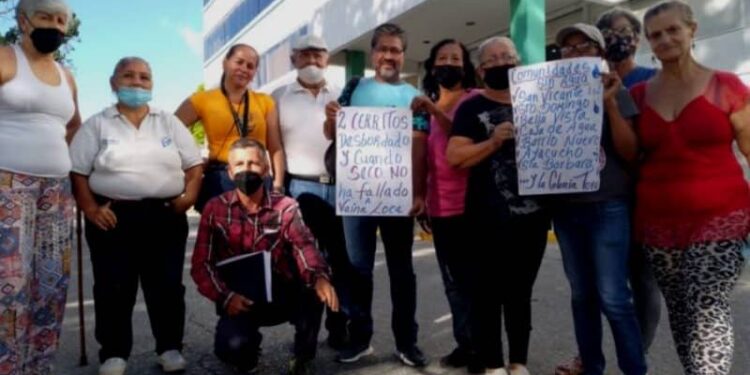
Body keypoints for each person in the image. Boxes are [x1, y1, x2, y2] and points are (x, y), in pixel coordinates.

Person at [626, 2, 750, 374]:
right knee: (681, 314)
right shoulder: (639, 96)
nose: (665, 39)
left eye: (672, 30)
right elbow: (631, 156)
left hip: (721, 216)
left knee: (705, 303)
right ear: (648, 43)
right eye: (656, 35)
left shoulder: (726, 86)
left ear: (692, 30)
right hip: (658, 223)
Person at [69, 57, 203, 375]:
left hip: (165, 214)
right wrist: (89, 208)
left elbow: (194, 164)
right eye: (128, 76)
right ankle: (114, 353)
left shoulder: (168, 122)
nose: (137, 82)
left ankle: (170, 347)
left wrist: (190, 196)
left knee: (167, 285)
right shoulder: (97, 124)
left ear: (152, 84)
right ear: (113, 83)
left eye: (145, 77)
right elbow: (77, 171)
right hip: (113, 215)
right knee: (114, 286)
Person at [556, 8, 662, 375]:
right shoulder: (549, 96)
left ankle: (635, 368)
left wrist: (609, 105)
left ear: (599, 52)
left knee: (614, 297)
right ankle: (592, 366)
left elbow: (631, 152)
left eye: (582, 45)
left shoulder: (616, 88)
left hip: (608, 207)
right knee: (581, 295)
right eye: (566, 49)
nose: (572, 53)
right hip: (566, 210)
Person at [323, 22, 428, 367]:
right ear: (372, 53)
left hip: (397, 195)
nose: (388, 55)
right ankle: (361, 338)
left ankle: (406, 342)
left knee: (402, 272)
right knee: (357, 270)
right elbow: (331, 133)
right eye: (382, 48)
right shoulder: (354, 88)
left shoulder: (412, 96)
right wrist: (330, 118)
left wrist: (417, 191)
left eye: (395, 49)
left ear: (403, 55)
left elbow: (420, 145)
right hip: (357, 195)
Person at [446, 37, 549, 375]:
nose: (503, 62)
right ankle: (492, 365)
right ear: (481, 70)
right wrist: (492, 142)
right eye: (494, 59)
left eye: (509, 56)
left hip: (532, 219)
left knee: (520, 294)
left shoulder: (538, 100)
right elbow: (454, 156)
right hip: (484, 219)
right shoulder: (471, 107)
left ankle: (518, 363)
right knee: (486, 296)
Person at [191, 138, 338, 375]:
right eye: (239, 164)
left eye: (253, 163)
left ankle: (303, 355)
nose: (246, 170)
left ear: (266, 169)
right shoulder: (214, 209)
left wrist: (319, 276)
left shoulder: (286, 206)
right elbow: (201, 264)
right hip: (239, 297)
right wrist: (225, 297)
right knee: (232, 347)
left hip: (282, 291)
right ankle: (248, 356)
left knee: (315, 287)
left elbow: (304, 245)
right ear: (229, 172)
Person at [0, 0, 81, 373]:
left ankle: (39, 367)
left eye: (61, 20)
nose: (55, 25)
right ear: (23, 19)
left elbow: (73, 124)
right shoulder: (5, 57)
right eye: (46, 17)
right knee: (9, 287)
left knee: (50, 284)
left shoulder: (67, 76)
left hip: (56, 190)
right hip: (7, 183)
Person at [271, 34, 353, 350]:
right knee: (306, 262)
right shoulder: (278, 97)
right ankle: (305, 334)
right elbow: (273, 144)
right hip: (300, 186)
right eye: (304, 55)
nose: (312, 61)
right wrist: (278, 188)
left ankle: (339, 326)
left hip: (343, 186)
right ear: (293, 60)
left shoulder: (345, 95)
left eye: (318, 55)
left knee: (343, 263)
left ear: (327, 58)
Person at [415, 38, 478, 368]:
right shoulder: (428, 106)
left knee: (474, 282)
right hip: (440, 208)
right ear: (432, 65)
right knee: (453, 283)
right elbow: (423, 156)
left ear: (466, 66)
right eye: (443, 58)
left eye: (456, 57)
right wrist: (421, 197)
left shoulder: (475, 99)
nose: (449, 63)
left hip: (472, 208)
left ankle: (483, 347)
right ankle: (465, 344)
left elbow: (466, 136)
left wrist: (436, 110)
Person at [175, 43, 284, 211]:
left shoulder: (265, 102)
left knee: (258, 234)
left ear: (254, 73)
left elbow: (275, 147)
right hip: (220, 177)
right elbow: (170, 132)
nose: (244, 69)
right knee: (218, 235)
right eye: (239, 62)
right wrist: (193, 162)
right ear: (225, 63)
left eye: (250, 66)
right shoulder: (202, 99)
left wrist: (277, 184)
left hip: (258, 177)